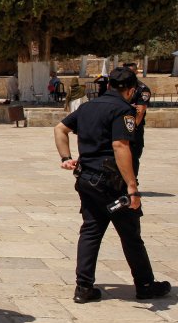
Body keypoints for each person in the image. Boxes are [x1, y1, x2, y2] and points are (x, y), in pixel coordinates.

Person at [54, 67, 171, 303]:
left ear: (108, 86)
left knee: (91, 230)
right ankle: (145, 284)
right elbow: (120, 146)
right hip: (112, 182)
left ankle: (84, 287)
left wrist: (66, 158)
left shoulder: (87, 107)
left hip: (87, 179)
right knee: (130, 233)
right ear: (130, 90)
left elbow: (60, 128)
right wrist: (131, 186)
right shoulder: (123, 110)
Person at [123, 63, 150, 177]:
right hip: (119, 125)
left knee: (133, 155)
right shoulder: (122, 87)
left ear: (135, 73)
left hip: (133, 127)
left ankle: (133, 181)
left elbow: (140, 111)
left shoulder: (142, 89)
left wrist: (133, 128)